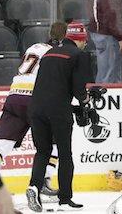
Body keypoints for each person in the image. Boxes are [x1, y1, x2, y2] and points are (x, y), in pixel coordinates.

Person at [25, 21, 92, 212]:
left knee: (42, 151)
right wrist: (86, 101)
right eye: (85, 40)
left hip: (36, 108)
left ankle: (34, 187)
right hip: (58, 110)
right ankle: (65, 198)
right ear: (79, 40)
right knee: (65, 154)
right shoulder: (79, 55)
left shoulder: (48, 53)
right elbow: (79, 91)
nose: (85, 44)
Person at [0, 22, 65, 197]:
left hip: (14, 96)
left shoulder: (35, 47)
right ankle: (43, 182)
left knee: (2, 144)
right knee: (53, 142)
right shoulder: (58, 53)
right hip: (35, 99)